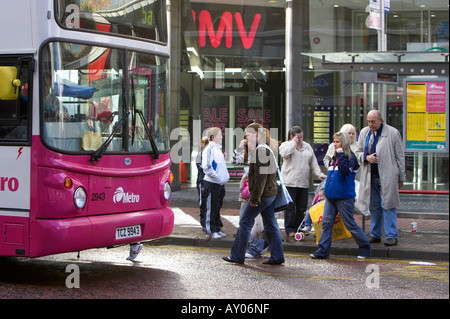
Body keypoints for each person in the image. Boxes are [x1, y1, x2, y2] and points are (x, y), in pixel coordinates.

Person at [223, 123, 284, 265]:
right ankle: (277, 256)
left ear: (256, 134)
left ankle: (237, 256)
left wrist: (255, 198)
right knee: (270, 224)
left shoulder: (261, 150)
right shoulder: (265, 148)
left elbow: (260, 178)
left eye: (248, 134)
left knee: (245, 222)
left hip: (263, 195)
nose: (246, 137)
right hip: (269, 193)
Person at [311, 131, 371, 259]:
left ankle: (365, 247)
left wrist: (341, 154)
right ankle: (323, 251)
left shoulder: (350, 157)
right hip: (331, 198)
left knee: (350, 224)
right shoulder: (334, 158)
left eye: (338, 142)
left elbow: (344, 172)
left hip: (344, 198)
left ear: (344, 143)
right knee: (326, 224)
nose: (335, 144)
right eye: (334, 141)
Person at [355, 110, 406, 246]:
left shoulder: (393, 133)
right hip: (370, 175)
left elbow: (400, 157)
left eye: (373, 121)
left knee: (388, 205)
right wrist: (366, 157)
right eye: (368, 121)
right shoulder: (365, 132)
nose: (370, 124)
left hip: (388, 176)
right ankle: (375, 234)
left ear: (381, 120)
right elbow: (358, 152)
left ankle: (391, 235)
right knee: (374, 206)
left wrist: (401, 177)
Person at [279, 126, 326, 237]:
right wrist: (293, 143)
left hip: (303, 182)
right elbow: (284, 154)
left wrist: (319, 174)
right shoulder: (286, 145)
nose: (300, 139)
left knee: (301, 207)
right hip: (289, 182)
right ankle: (290, 229)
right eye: (297, 137)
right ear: (291, 136)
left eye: (301, 137)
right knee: (290, 207)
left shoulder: (307, 147)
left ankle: (300, 227)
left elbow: (313, 162)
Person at [200, 127, 230, 239]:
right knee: (210, 208)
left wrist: (223, 178)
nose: (221, 137)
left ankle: (216, 228)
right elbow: (206, 167)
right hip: (212, 183)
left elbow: (220, 167)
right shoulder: (209, 149)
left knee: (217, 207)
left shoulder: (217, 149)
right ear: (213, 137)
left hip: (219, 184)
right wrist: (218, 178)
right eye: (219, 135)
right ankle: (211, 230)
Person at [196, 136, 209, 207]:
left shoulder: (210, 154)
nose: (201, 145)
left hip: (209, 180)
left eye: (203, 143)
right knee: (202, 199)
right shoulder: (199, 155)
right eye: (201, 143)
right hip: (202, 180)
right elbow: (199, 167)